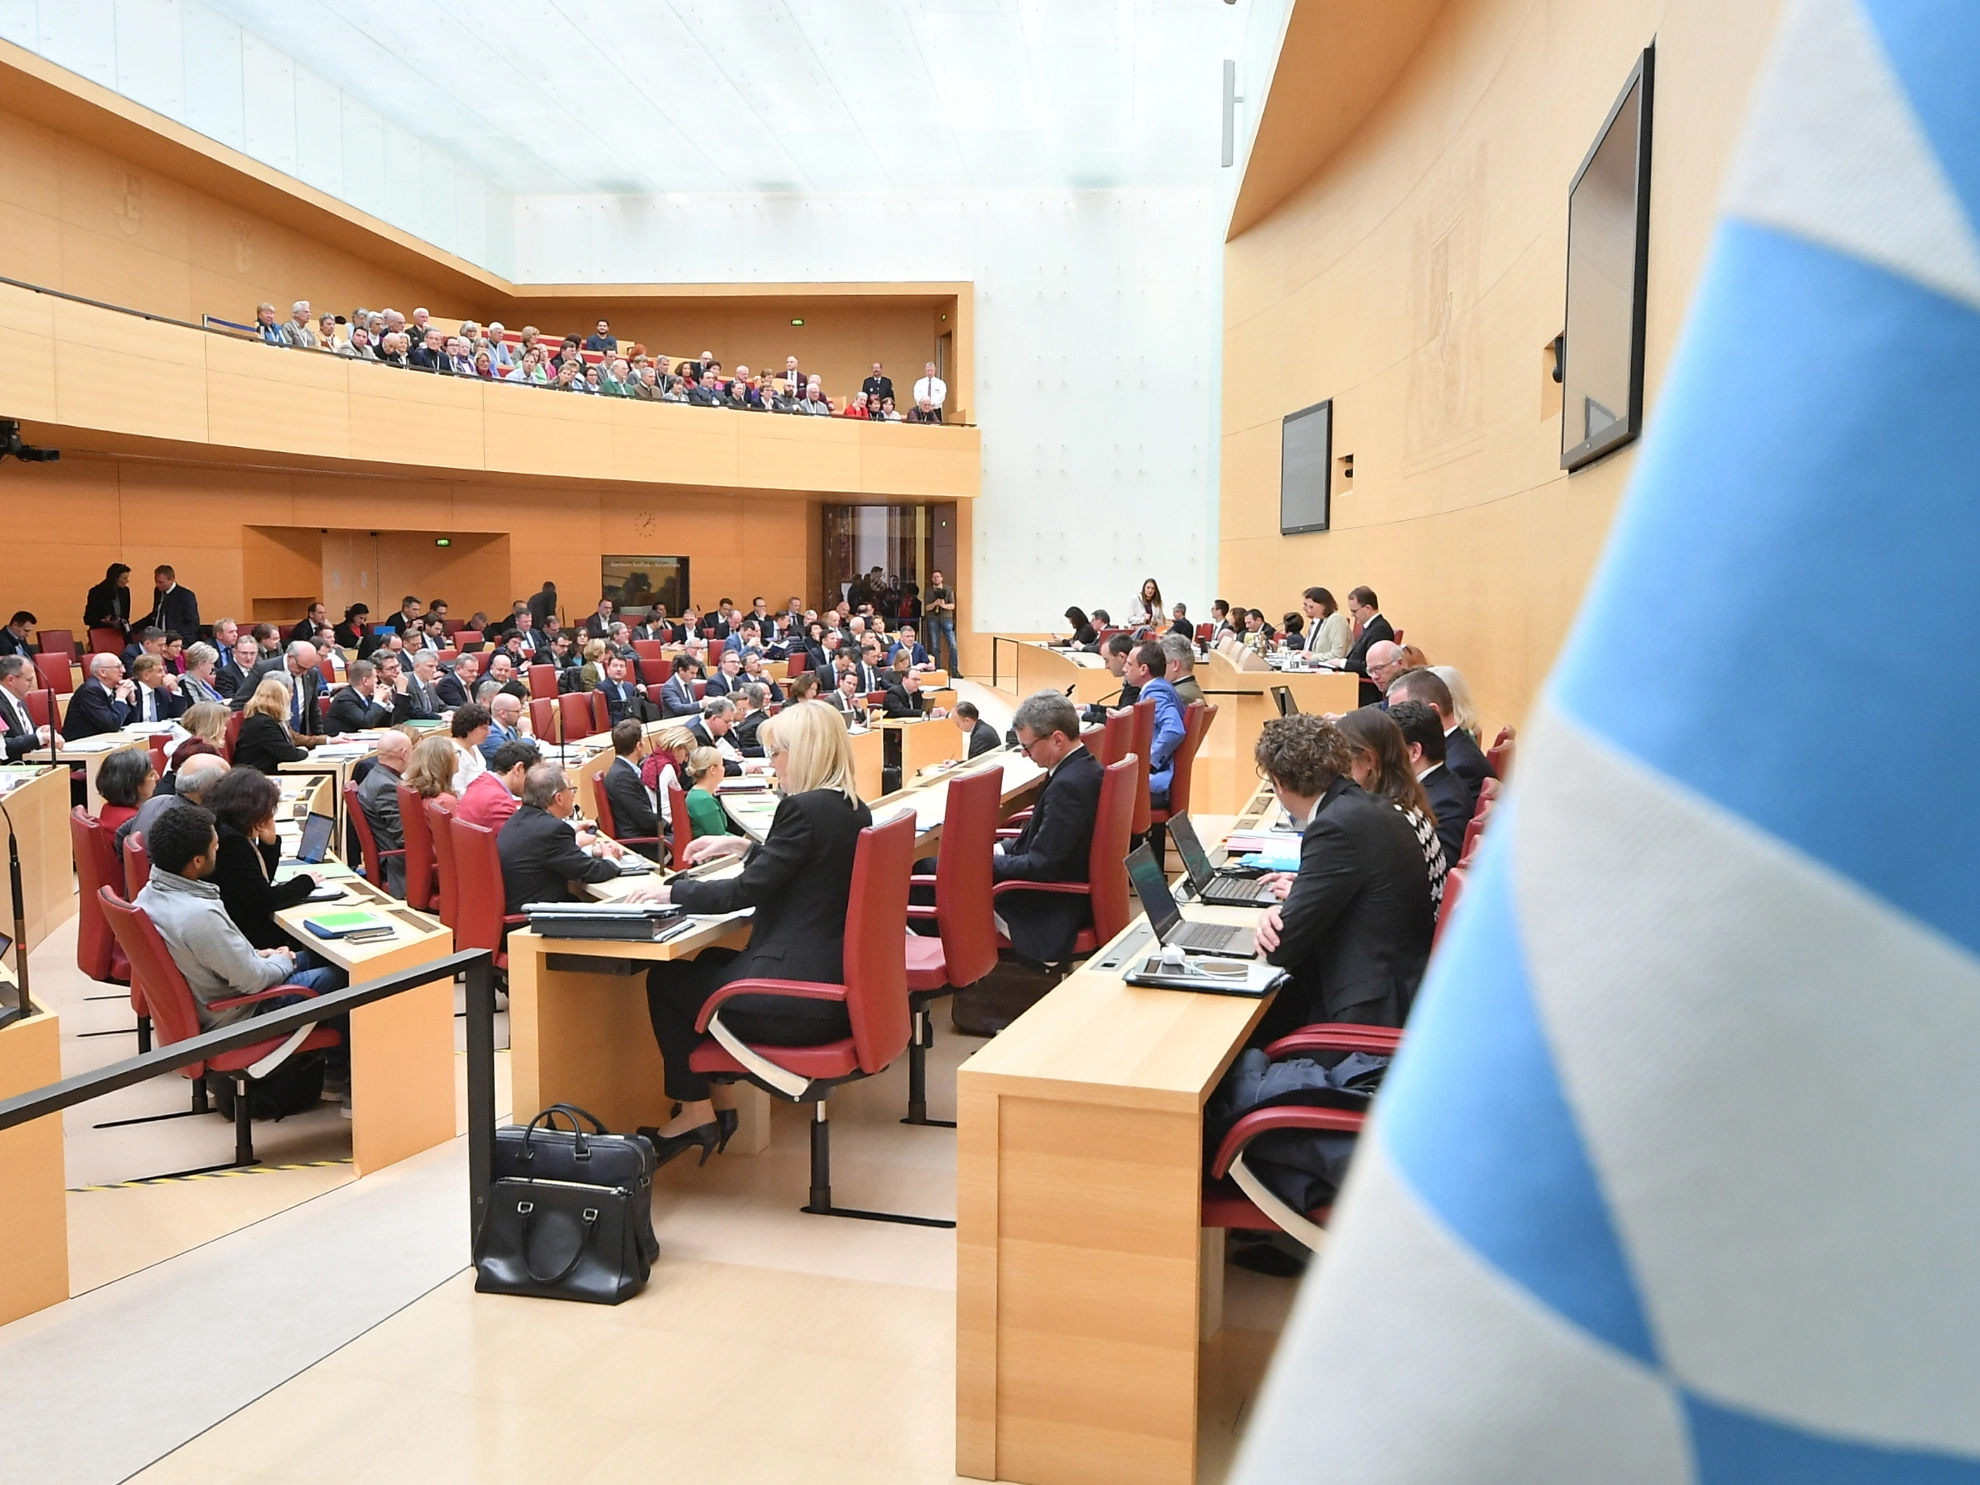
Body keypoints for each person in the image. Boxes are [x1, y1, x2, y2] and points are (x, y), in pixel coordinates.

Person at [635, 703, 874, 1166]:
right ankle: (721, 1105)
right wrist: (745, 846)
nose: (773, 763)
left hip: (796, 1002)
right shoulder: (851, 808)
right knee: (706, 962)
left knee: (664, 981)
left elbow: (746, 890)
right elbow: (803, 864)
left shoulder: (801, 808)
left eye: (777, 753)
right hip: (832, 986)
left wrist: (672, 891)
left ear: (803, 753)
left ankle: (695, 1113)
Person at [1247, 715, 1434, 1039]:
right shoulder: (1370, 807)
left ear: (1278, 782)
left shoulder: (1335, 826)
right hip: (1400, 993)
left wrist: (1276, 915)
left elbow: (1281, 947)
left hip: (1365, 1019)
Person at [134, 803, 345, 1035]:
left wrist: (260, 955)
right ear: (197, 861)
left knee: (323, 957)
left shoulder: (148, 895)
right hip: (242, 1011)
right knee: (346, 977)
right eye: (214, 846)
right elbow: (255, 981)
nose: (218, 848)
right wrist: (283, 960)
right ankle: (338, 1057)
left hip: (224, 992)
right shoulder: (198, 915)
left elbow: (215, 958)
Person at [994, 691, 1104, 965]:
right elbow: (1045, 840)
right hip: (1062, 890)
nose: (1024, 754)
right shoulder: (1082, 768)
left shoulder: (1068, 786)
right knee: (935, 867)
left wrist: (983, 863)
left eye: (1028, 746)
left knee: (930, 875)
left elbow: (1043, 865)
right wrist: (998, 850)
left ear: (1057, 739)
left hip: (1049, 905)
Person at [1336, 707, 1449, 910]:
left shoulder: (1386, 819)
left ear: (1368, 760)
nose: (1339, 773)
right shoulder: (1406, 804)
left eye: (1345, 762)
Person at [203, 767, 320, 950]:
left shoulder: (225, 827)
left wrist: (269, 844)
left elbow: (260, 883)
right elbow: (265, 900)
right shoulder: (231, 842)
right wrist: (306, 882)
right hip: (247, 938)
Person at [496, 763, 625, 914]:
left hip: (523, 907)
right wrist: (610, 858)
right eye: (571, 789)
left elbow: (553, 856)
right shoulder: (552, 830)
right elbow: (591, 872)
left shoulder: (519, 818)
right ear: (559, 798)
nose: (573, 795)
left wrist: (591, 852)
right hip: (535, 917)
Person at [1387, 668, 1495, 806]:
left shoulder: (1459, 765)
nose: (1393, 720)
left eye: (1403, 711)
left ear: (1432, 712)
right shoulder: (1453, 747)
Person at [1388, 701, 1473, 869]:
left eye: (1389, 749)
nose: (1385, 757)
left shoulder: (1446, 803)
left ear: (1414, 752)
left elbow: (1442, 869)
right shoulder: (1442, 782)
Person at [1123, 640, 1185, 808]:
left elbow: (1174, 730)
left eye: (1129, 664)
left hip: (1156, 784)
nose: (1124, 669)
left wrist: (1148, 762)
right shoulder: (1161, 686)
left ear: (1143, 669)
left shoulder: (1155, 692)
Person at [357, 730, 414, 894]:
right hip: (400, 868)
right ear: (404, 754)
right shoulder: (386, 788)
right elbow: (405, 838)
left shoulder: (378, 776)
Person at [600, 720, 661, 854]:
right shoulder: (622, 777)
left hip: (640, 834)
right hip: (639, 844)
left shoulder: (621, 771)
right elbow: (645, 820)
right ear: (638, 746)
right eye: (643, 741)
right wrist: (668, 823)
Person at [457, 738, 537, 832]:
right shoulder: (498, 802)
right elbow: (519, 838)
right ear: (519, 769)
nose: (536, 782)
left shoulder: (481, 781)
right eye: (533, 774)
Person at [233, 676, 309, 773]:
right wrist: (304, 751)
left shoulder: (261, 719)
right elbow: (290, 754)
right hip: (256, 775)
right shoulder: (264, 724)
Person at [1340, 586, 1395, 704]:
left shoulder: (1380, 629)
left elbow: (1372, 667)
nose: (1352, 615)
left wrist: (1342, 663)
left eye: (1354, 611)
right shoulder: (1369, 627)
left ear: (1368, 608)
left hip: (1366, 690)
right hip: (1354, 682)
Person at [63, 652, 136, 740]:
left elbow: (131, 723)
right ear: (102, 672)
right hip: (81, 743)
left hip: (103, 740)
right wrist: (121, 698)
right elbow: (112, 725)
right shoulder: (90, 691)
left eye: (122, 666)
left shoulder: (114, 687)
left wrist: (131, 700)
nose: (124, 670)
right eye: (118, 667)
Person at [0, 655, 54, 760]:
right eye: (29, 680)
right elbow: (2, 746)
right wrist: (38, 739)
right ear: (11, 680)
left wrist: (40, 731)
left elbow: (25, 733)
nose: (32, 685)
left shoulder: (17, 698)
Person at [95, 747, 156, 836]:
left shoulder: (108, 808)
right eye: (151, 775)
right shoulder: (133, 821)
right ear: (135, 784)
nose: (157, 777)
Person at [325, 659, 392, 735]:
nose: (377, 681)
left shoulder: (368, 696)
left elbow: (384, 724)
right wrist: (378, 700)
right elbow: (366, 723)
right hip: (342, 740)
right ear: (365, 681)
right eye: (375, 677)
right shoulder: (345, 699)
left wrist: (384, 702)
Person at [137, 565, 199, 638]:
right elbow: (156, 614)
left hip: (176, 638)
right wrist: (135, 627)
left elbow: (193, 622)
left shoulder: (186, 595)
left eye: (161, 582)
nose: (157, 585)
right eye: (156, 581)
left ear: (171, 580)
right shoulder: (158, 592)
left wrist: (179, 638)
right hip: (158, 637)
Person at [682, 747, 730, 839]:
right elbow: (719, 837)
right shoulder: (704, 800)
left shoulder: (695, 792)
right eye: (722, 765)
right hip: (710, 846)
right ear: (713, 770)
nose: (724, 769)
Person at [129, 654, 187, 724]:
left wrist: (175, 690)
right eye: (160, 671)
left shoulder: (162, 692)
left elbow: (176, 715)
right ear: (146, 675)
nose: (164, 675)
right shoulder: (131, 690)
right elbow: (130, 721)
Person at [392, 649, 446, 723]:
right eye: (430, 666)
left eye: (436, 666)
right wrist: (440, 716)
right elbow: (414, 712)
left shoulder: (428, 685)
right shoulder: (406, 683)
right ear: (417, 666)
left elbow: (441, 706)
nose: (434, 670)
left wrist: (457, 712)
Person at [84, 562, 133, 640]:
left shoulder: (125, 592)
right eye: (124, 578)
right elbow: (88, 618)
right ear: (115, 578)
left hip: (119, 634)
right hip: (101, 634)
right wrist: (103, 621)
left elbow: (125, 616)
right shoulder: (96, 592)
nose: (127, 581)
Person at [882, 661, 946, 720]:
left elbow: (922, 707)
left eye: (919, 680)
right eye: (914, 679)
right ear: (904, 679)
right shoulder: (893, 693)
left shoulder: (916, 692)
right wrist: (925, 712)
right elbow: (901, 711)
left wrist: (936, 709)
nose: (918, 683)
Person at [449, 704, 491, 793]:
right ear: (468, 728)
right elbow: (457, 791)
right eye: (484, 728)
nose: (488, 732)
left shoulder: (473, 746)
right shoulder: (454, 752)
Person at [1301, 587, 1351, 662]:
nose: (1308, 610)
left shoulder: (1336, 619)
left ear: (1324, 606)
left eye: (1311, 607)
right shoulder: (1324, 621)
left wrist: (1312, 657)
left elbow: (1337, 655)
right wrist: (1305, 654)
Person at [479, 691, 525, 764]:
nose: (520, 714)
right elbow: (517, 758)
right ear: (503, 714)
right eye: (517, 711)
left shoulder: (510, 729)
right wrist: (526, 733)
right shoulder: (489, 734)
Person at [176, 642, 227, 707]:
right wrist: (223, 703)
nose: (213, 667)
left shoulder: (202, 681)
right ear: (200, 665)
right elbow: (196, 708)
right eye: (211, 663)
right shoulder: (186, 682)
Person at [1160, 633, 1205, 707]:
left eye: (1162, 663)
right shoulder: (1189, 688)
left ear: (1175, 664)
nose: (1158, 667)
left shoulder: (1178, 696)